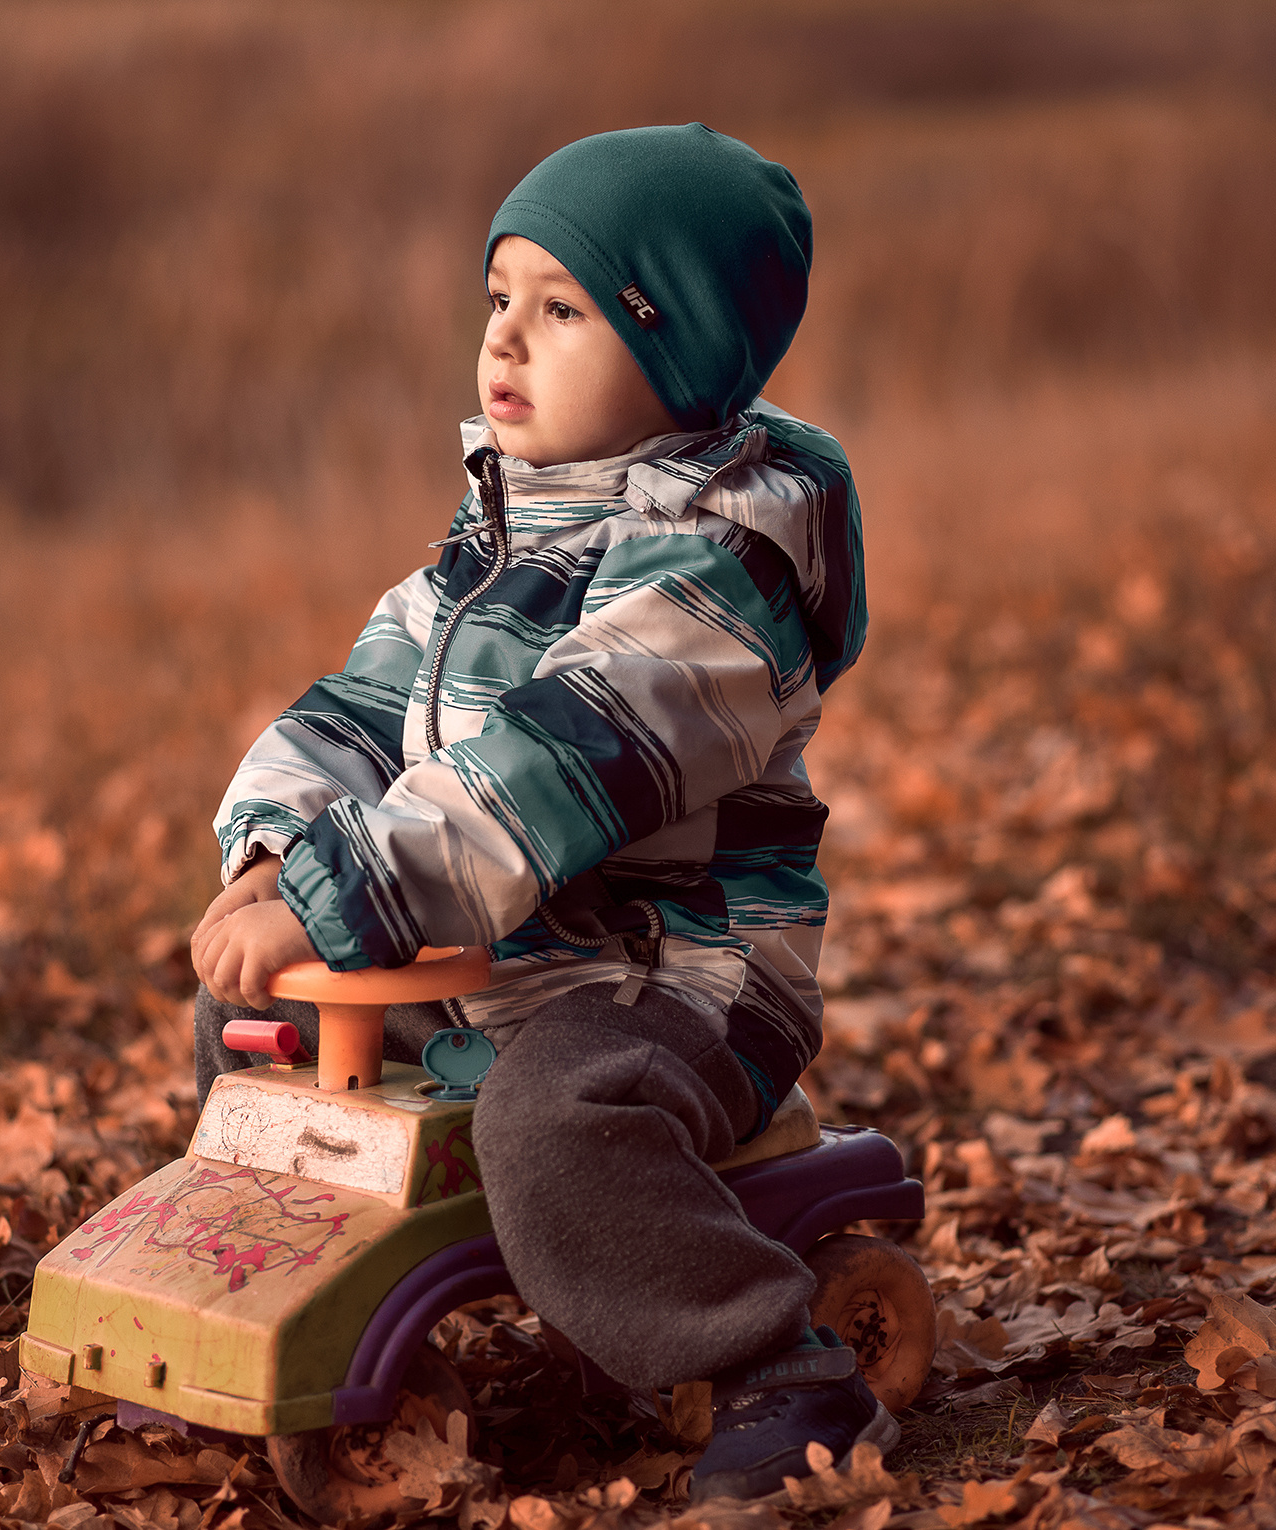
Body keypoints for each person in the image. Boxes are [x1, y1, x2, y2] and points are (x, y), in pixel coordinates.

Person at [188, 124, 885, 1500]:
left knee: (550, 1115)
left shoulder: (715, 585)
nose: (504, 339)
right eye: (499, 297)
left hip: (668, 981)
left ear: (679, 354)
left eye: (563, 309)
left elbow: (543, 771)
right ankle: (251, 1301)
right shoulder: (492, 543)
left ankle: (778, 1369)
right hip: (494, 958)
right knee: (248, 1031)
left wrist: (338, 896)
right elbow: (358, 708)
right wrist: (274, 847)